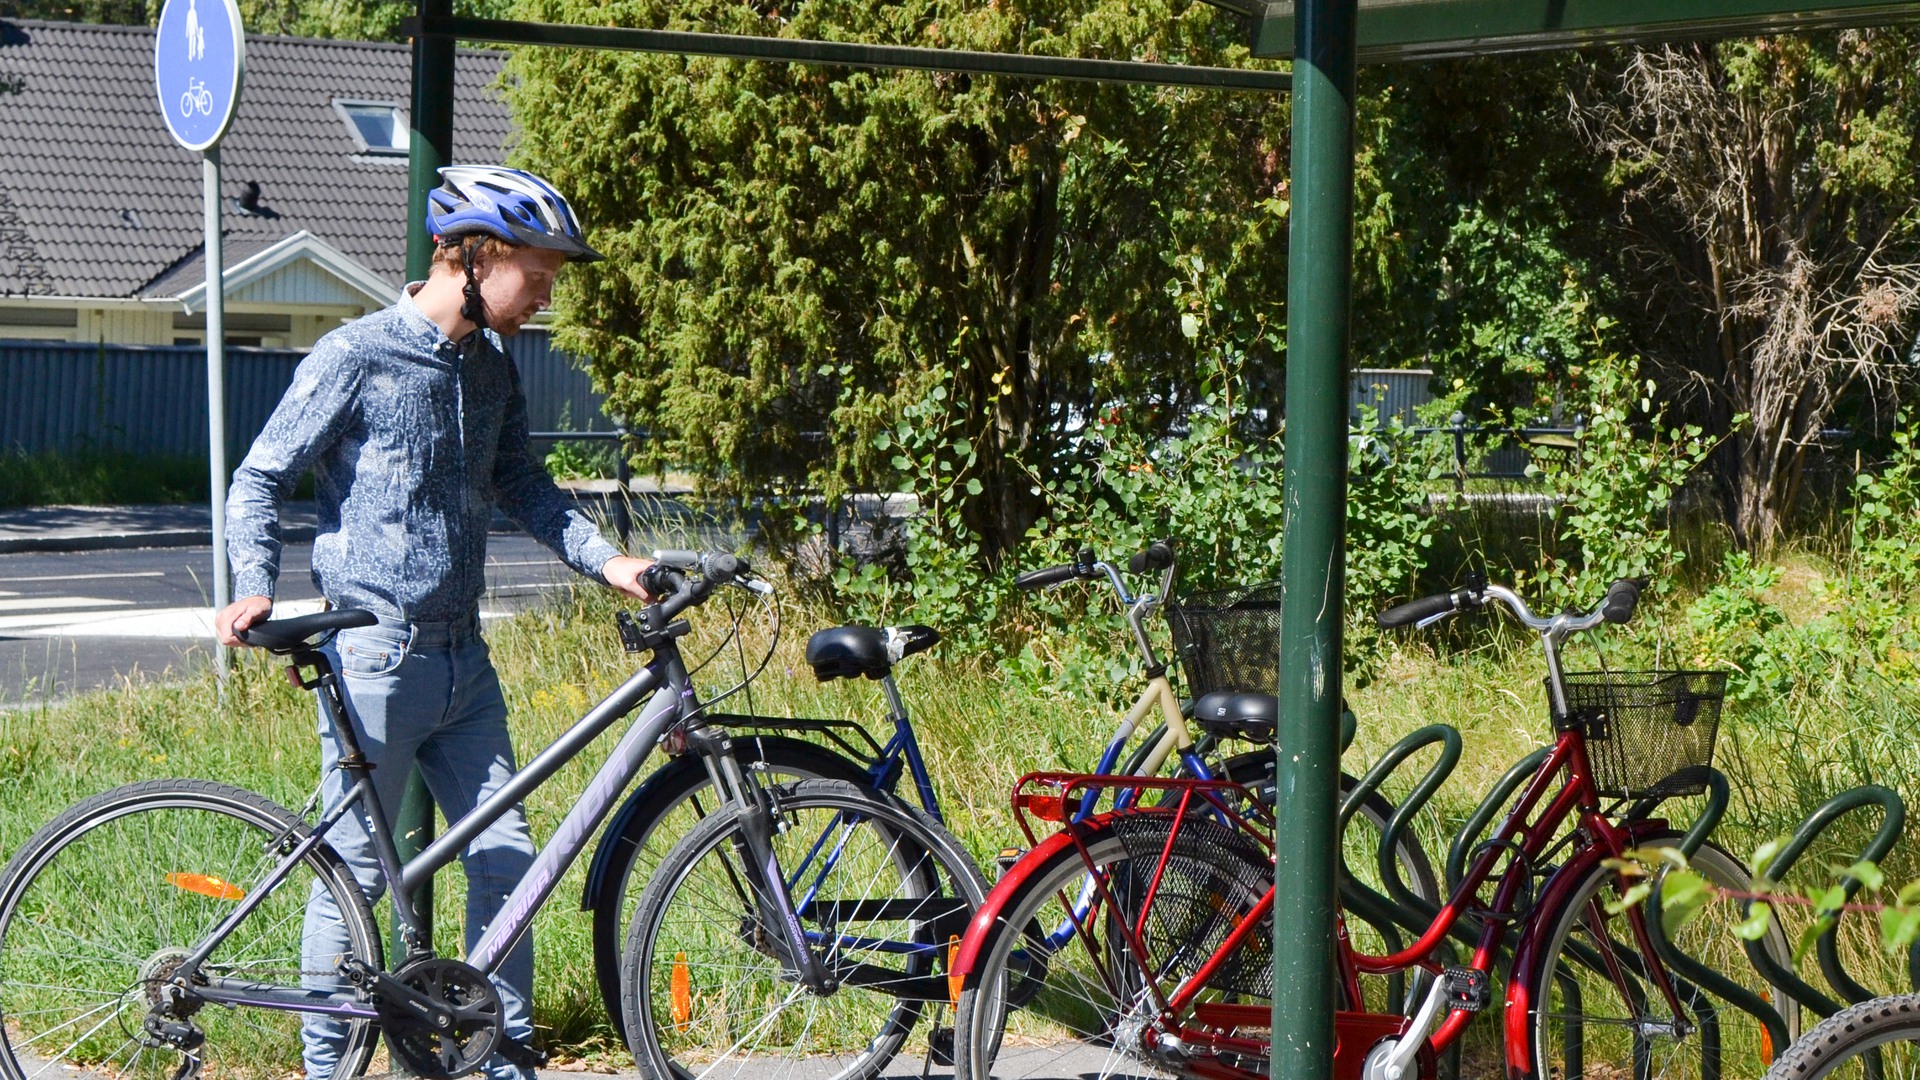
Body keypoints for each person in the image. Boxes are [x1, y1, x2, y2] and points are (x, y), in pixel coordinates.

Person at [215, 164, 653, 1079]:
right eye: (536, 277)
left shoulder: (492, 368)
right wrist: (253, 584)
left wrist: (611, 562)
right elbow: (259, 476)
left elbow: (523, 483)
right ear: (479, 258)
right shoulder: (359, 353)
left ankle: (500, 1061)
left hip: (465, 662)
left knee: (508, 861)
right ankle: (328, 1069)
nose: (542, 297)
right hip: (377, 656)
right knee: (358, 877)